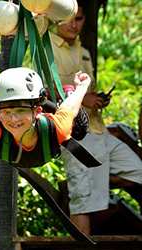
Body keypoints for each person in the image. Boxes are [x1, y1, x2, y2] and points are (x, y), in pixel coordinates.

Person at [49, 0, 142, 235]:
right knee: (84, 201)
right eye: (68, 18)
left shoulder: (83, 52)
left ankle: (91, 179)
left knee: (138, 171)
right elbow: (44, 95)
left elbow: (86, 95)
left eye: (79, 19)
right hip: (76, 135)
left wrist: (97, 99)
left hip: (100, 131)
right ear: (56, 18)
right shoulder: (46, 48)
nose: (73, 24)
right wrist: (83, 99)